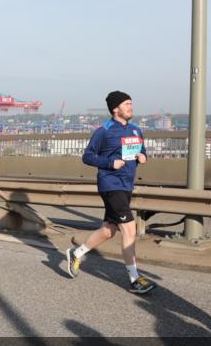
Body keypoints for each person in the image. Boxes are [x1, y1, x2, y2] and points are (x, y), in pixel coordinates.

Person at [64, 91, 154, 295]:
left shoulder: (136, 130)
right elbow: (87, 156)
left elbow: (142, 151)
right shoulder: (104, 131)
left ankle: (77, 253)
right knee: (129, 229)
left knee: (108, 230)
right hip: (110, 184)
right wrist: (110, 163)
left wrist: (143, 156)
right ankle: (135, 279)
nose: (131, 107)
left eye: (131, 103)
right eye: (127, 104)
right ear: (115, 108)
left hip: (126, 185)